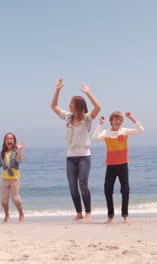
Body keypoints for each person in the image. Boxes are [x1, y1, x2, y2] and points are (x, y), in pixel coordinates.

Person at [50, 78, 101, 221]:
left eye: (71, 103)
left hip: (84, 156)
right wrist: (57, 90)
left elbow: (98, 108)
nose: (69, 105)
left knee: (83, 184)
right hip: (70, 157)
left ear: (77, 105)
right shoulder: (67, 117)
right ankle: (79, 213)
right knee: (72, 186)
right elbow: (53, 106)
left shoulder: (87, 118)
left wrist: (88, 93)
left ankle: (88, 212)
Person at [93, 111, 144, 224]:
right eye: (116, 119)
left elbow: (141, 130)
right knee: (107, 190)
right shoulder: (106, 133)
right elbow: (95, 137)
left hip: (123, 165)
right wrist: (100, 124)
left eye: (120, 120)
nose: (118, 122)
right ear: (111, 121)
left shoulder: (124, 131)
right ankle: (110, 216)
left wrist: (132, 118)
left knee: (125, 190)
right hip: (111, 166)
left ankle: (125, 215)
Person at [0, 133, 25, 223]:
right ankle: (7, 216)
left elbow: (19, 160)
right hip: (5, 179)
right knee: (3, 200)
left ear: (14, 141)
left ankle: (21, 214)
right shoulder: (3, 153)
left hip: (14, 178)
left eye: (11, 139)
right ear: (5, 141)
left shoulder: (15, 151)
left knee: (15, 198)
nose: (9, 140)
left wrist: (18, 150)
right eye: (7, 139)